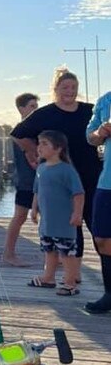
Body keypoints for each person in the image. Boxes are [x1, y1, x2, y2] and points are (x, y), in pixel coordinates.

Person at [11, 67, 101, 281]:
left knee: (99, 227)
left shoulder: (91, 111)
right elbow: (18, 134)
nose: (70, 91)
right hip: (61, 181)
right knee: (71, 228)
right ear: (56, 89)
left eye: (73, 87)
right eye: (65, 87)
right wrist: (33, 151)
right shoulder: (45, 114)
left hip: (91, 176)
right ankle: (74, 275)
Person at [27, 131, 83, 296]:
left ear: (58, 148)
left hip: (63, 223)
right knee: (49, 250)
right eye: (39, 143)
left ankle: (70, 282)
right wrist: (34, 208)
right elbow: (37, 190)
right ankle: (48, 278)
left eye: (45, 144)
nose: (40, 147)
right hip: (47, 223)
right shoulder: (41, 168)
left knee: (66, 254)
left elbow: (78, 193)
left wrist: (77, 213)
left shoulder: (67, 170)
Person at [2, 92, 39, 266]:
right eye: (32, 106)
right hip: (26, 180)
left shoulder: (35, 129)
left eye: (36, 106)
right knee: (20, 216)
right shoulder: (20, 131)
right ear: (21, 109)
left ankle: (54, 255)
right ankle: (9, 254)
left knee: (47, 217)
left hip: (39, 180)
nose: (35, 110)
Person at [85, 90, 111, 313]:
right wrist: (101, 132)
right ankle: (109, 294)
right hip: (107, 182)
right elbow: (90, 137)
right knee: (102, 238)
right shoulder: (105, 100)